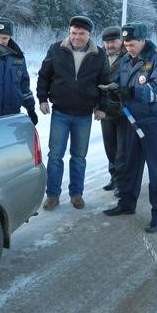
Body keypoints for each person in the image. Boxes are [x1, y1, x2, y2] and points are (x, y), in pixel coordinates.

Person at [102, 23, 157, 233]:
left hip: (152, 121)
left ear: (143, 41)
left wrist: (131, 92)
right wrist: (112, 90)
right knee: (129, 164)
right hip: (130, 119)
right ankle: (127, 203)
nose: (128, 47)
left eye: (132, 44)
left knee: (156, 168)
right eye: (126, 43)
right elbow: (118, 81)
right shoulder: (126, 59)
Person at [37, 16, 110, 211]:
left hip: (84, 115)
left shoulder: (99, 54)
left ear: (89, 35)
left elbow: (104, 82)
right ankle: (52, 195)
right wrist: (42, 98)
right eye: (73, 33)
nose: (77, 37)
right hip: (60, 112)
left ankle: (76, 194)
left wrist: (102, 106)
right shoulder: (56, 49)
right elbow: (44, 75)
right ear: (69, 32)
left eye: (81, 34)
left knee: (79, 157)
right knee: (55, 156)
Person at [0, 17, 38, 125]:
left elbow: (24, 85)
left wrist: (31, 109)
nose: (0, 41)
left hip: (12, 114)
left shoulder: (18, 57)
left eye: (5, 38)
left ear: (10, 37)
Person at [98, 26, 128, 195]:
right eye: (107, 42)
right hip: (106, 110)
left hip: (124, 110)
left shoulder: (128, 56)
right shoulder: (99, 56)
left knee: (123, 149)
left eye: (113, 42)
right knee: (110, 147)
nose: (109, 45)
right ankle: (114, 177)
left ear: (121, 40)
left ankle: (122, 183)